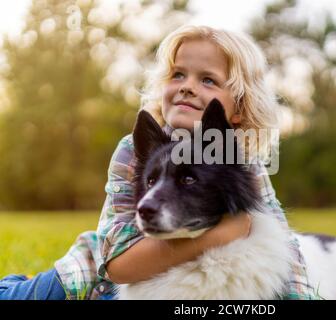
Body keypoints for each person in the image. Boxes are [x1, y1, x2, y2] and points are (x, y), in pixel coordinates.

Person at [0, 25, 317, 300]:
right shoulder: (135, 150)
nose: (187, 85)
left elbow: (285, 250)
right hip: (97, 279)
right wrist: (220, 234)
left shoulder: (242, 161)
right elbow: (118, 265)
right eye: (178, 74)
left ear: (238, 109)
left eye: (208, 80)